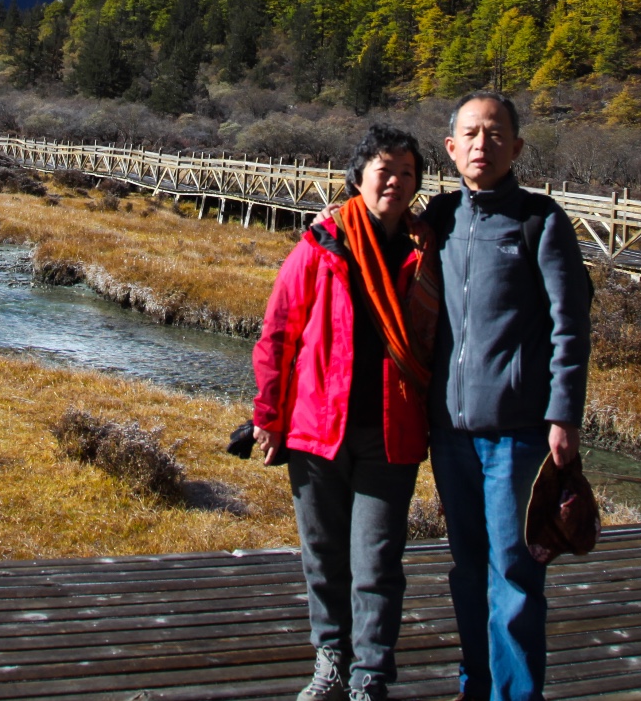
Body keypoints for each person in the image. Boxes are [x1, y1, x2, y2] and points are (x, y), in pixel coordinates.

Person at [251, 125, 444, 701]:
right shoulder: (322, 243)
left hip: (393, 430)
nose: (395, 180)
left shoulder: (428, 250)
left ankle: (371, 679)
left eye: (407, 172)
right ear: (357, 177)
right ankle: (331, 661)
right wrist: (268, 413)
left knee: (378, 562)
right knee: (324, 555)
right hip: (317, 428)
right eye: (384, 169)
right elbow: (279, 332)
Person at [422, 91, 591, 701]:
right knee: (468, 570)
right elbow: (374, 224)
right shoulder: (439, 219)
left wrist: (563, 415)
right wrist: (326, 228)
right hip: (450, 433)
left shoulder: (540, 221)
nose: (481, 145)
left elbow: (571, 325)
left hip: (517, 434)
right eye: (469, 134)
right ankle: (477, 685)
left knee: (515, 575)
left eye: (495, 135)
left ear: (517, 147)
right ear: (450, 147)